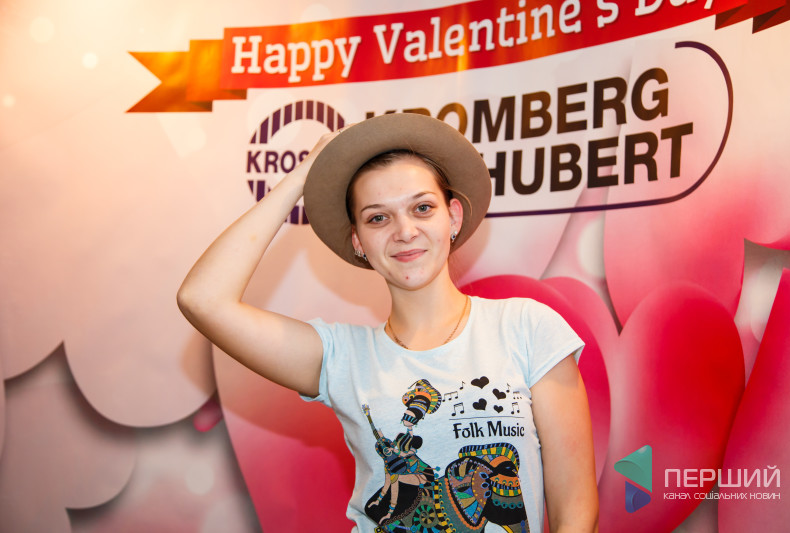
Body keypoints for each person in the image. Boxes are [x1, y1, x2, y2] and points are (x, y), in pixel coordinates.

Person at [177, 113, 598, 532]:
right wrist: (302, 178)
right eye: (378, 218)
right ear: (358, 241)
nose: (405, 231)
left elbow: (577, 513)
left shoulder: (527, 328)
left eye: (422, 208)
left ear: (452, 217)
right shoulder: (342, 358)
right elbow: (202, 299)